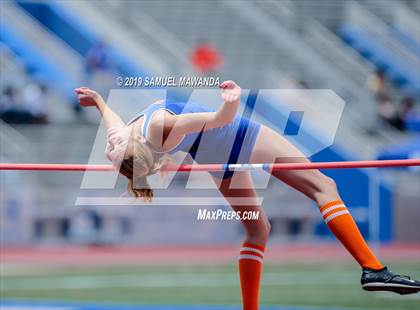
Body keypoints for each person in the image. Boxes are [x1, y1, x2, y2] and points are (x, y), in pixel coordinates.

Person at [75, 81, 420, 309]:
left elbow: (113, 123)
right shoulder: (158, 127)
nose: (110, 144)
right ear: (138, 150)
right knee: (324, 186)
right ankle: (372, 269)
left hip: (213, 157)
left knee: (258, 230)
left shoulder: (126, 138)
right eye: (114, 149)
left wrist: (99, 102)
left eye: (110, 148)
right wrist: (232, 99)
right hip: (235, 136)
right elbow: (217, 118)